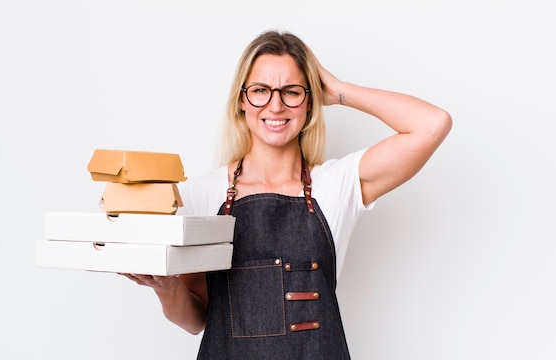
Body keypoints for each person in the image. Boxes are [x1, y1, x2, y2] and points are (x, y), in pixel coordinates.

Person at [121, 30, 452, 359]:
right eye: (261, 91)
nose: (275, 106)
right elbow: (196, 319)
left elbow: (432, 124)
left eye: (291, 92)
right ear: (241, 99)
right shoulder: (200, 195)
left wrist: (338, 91)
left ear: (309, 102)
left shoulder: (336, 186)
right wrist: (166, 288)